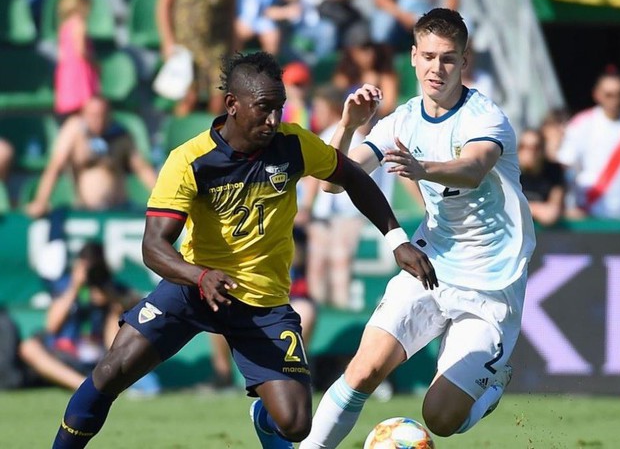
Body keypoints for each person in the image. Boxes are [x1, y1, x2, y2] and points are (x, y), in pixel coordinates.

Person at [51, 51, 436, 449]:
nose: (274, 120)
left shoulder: (294, 145)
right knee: (112, 370)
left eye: (280, 109)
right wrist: (199, 275)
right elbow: (153, 247)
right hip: (194, 289)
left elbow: (353, 178)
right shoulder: (190, 160)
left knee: (296, 424)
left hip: (263, 302)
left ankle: (262, 415)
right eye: (264, 109)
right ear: (232, 104)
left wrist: (397, 240)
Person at [300, 8, 536, 448]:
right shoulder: (402, 121)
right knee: (364, 369)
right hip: (431, 263)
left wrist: (422, 168)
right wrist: (349, 127)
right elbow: (331, 185)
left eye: (448, 58)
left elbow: (472, 168)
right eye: (428, 56)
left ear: (464, 61)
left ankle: (491, 381)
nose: (437, 68)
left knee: (440, 418)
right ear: (412, 56)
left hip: (492, 281)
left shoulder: (486, 117)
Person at [19, 242, 142, 391]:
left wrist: (112, 304)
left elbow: (114, 344)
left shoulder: (113, 288)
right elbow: (51, 326)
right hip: (66, 353)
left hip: (99, 356)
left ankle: (89, 386)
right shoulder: (66, 285)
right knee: (29, 347)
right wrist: (74, 287)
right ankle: (82, 385)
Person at [25, 96, 157, 218]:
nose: (98, 120)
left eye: (103, 115)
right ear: (83, 115)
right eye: (93, 115)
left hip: (120, 208)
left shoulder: (120, 135)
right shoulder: (74, 131)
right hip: (86, 210)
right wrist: (41, 201)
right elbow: (54, 167)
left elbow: (142, 169)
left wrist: (164, 198)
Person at [557, 70, 620, 220]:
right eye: (609, 95)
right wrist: (568, 206)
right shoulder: (581, 124)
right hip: (588, 215)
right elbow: (565, 167)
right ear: (597, 94)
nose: (615, 100)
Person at [157, 0, 236, 116]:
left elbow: (232, 8)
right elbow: (164, 5)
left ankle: (211, 132)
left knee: (220, 95)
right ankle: (181, 133)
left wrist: (233, 42)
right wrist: (168, 40)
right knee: (188, 97)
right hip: (186, 44)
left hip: (217, 44)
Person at [54, 0, 100, 117]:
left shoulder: (64, 27)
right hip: (80, 73)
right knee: (85, 110)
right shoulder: (80, 25)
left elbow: (61, 55)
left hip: (67, 73)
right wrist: (95, 63)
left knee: (74, 113)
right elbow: (81, 51)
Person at [518, 128, 565, 227]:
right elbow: (505, 208)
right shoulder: (510, 172)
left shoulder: (554, 171)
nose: (529, 152)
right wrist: (537, 210)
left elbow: (551, 213)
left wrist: (522, 209)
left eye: (535, 147)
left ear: (542, 149)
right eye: (523, 147)